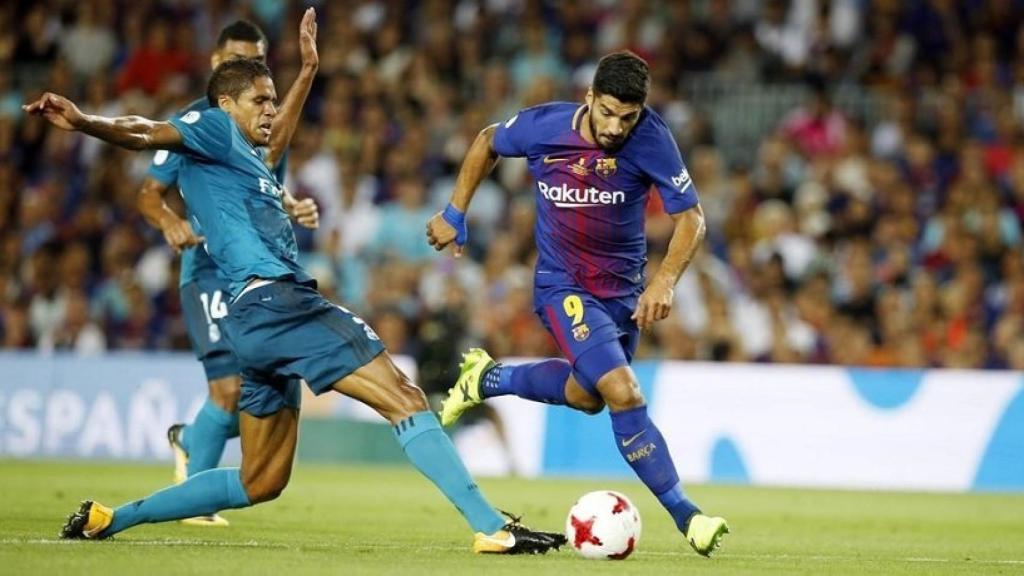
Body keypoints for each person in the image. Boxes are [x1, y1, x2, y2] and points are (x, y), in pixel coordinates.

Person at [28, 12, 564, 556]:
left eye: (272, 98)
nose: (270, 109)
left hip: (253, 323)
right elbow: (144, 130)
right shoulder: (209, 127)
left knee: (259, 481)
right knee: (404, 397)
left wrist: (308, 70)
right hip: (278, 302)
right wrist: (86, 120)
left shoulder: (246, 159)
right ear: (227, 106)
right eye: (260, 100)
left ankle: (109, 518)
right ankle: (492, 526)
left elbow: (277, 138)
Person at [426, 51, 729, 557]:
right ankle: (689, 517)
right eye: (607, 111)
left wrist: (665, 281)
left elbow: (692, 217)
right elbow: (486, 141)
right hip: (563, 286)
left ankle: (485, 379)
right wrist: (455, 211)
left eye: (627, 117)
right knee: (624, 392)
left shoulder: (652, 139)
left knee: (587, 396)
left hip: (623, 295)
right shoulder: (544, 125)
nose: (615, 127)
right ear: (589, 97)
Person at [136, 18, 309, 527]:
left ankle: (190, 439)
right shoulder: (195, 124)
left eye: (252, 58)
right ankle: (198, 498)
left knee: (260, 389)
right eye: (234, 59)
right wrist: (169, 221)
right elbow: (149, 193)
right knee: (230, 391)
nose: (243, 66)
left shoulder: (264, 120)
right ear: (215, 65)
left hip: (261, 273)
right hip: (210, 270)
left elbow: (261, 186)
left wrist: (293, 204)